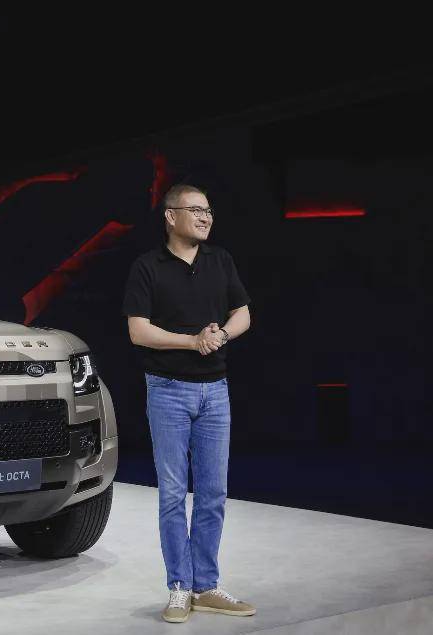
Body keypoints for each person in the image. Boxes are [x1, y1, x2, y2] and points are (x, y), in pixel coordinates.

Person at [122, 183, 255, 624]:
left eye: (208, 210)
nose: (205, 217)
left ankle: (206, 586)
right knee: (174, 493)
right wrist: (191, 341)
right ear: (170, 216)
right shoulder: (148, 266)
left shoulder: (220, 260)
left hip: (215, 390)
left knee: (213, 493)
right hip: (168, 389)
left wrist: (221, 336)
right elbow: (138, 331)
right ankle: (179, 586)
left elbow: (243, 313)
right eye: (195, 210)